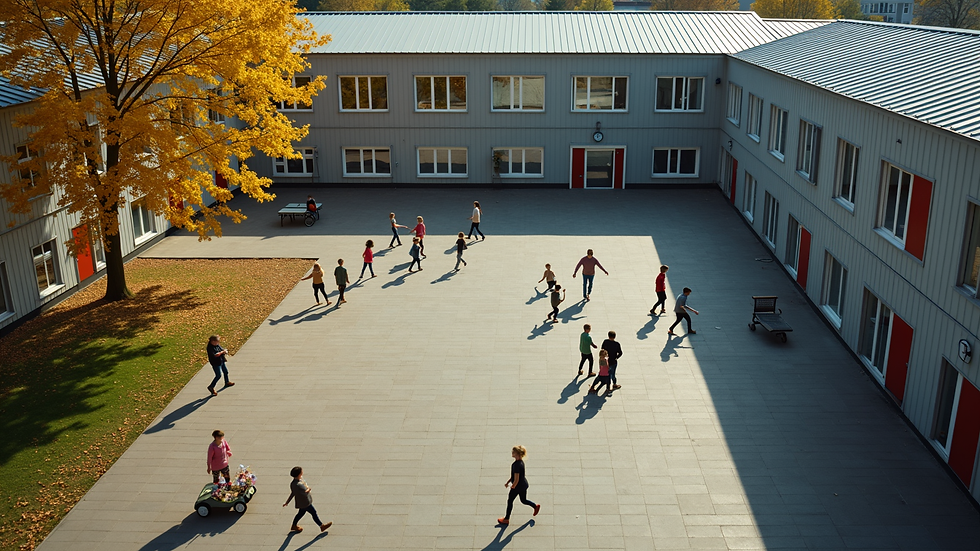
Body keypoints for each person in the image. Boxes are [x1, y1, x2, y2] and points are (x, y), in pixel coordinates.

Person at [497, 445, 540, 525]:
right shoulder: (520, 463)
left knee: (510, 501)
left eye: (513, 452)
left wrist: (512, 486)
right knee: (523, 500)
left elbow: (516, 479)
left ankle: (506, 519)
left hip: (517, 487)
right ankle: (535, 506)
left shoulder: (516, 465)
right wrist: (508, 482)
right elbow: (514, 476)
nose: (512, 453)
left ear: (517, 454)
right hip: (523, 485)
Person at [283, 466, 332, 533]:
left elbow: (292, 493)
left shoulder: (293, 483)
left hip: (301, 503)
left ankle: (294, 525)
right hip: (305, 503)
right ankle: (321, 526)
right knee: (313, 513)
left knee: (300, 514)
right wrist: (309, 489)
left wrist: (287, 502)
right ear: (299, 474)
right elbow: (306, 491)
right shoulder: (299, 484)